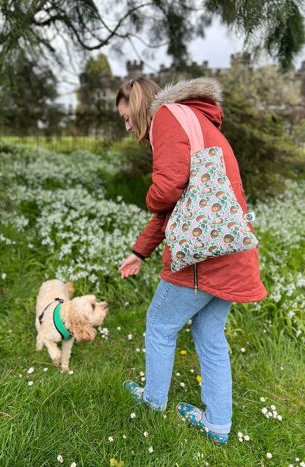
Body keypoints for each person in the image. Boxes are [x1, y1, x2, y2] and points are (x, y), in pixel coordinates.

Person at [116, 76, 267, 444]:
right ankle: (218, 424)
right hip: (232, 250)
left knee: (159, 324)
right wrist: (139, 252)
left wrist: (149, 198)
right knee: (209, 333)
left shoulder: (166, 116)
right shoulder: (194, 121)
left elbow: (167, 191)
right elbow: (182, 200)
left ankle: (152, 402)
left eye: (125, 116)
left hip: (203, 256)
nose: (127, 125)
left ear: (138, 104)